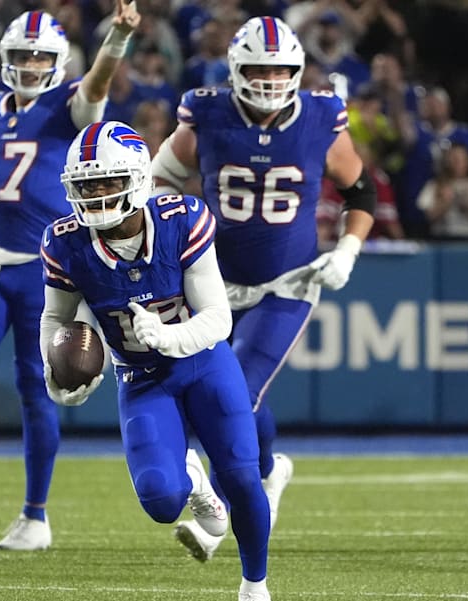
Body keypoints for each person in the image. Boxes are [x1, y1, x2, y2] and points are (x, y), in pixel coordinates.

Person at [0, 2, 141, 552]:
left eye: (41, 56)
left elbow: (96, 86)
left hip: (44, 271)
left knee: (38, 388)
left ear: (59, 61)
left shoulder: (68, 105)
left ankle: (35, 516)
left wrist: (115, 38)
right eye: (22, 55)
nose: (32, 65)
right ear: (6, 58)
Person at [150, 16, 376, 561]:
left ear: (298, 71)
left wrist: (347, 249)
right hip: (212, 282)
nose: (272, 79)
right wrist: (173, 238)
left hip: (287, 282)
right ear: (235, 70)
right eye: (259, 68)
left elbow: (361, 190)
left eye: (281, 69)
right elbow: (157, 180)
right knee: (221, 402)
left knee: (235, 396)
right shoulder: (205, 113)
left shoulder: (321, 117)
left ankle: (220, 518)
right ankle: (270, 472)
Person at [41, 120, 272, 601]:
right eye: (85, 186)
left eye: (107, 182)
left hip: (205, 364)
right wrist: (54, 373)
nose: (96, 195)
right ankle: (191, 478)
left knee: (243, 476)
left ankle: (254, 587)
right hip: (141, 377)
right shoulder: (64, 243)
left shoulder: (180, 219)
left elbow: (217, 318)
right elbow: (56, 319)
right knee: (162, 501)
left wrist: (169, 336)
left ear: (139, 178)